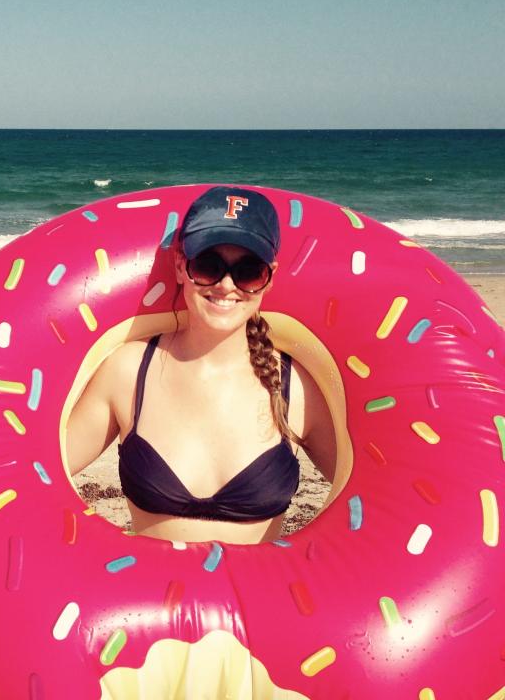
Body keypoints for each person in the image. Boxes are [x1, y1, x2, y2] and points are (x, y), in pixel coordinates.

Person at [66, 186, 337, 545]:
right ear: (181, 266)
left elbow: (375, 492)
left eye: (248, 272)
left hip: (262, 601)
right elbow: (38, 474)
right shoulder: (128, 372)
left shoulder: (295, 386)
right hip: (145, 600)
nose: (226, 285)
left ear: (269, 277)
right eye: (208, 266)